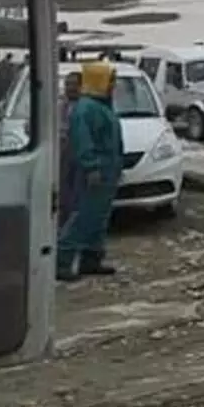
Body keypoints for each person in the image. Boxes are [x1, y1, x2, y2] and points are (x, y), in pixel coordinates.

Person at [56, 61, 126, 281]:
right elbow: (83, 141)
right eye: (110, 81)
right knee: (84, 216)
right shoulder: (86, 109)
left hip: (108, 170)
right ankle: (62, 260)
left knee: (99, 217)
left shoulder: (102, 106)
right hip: (95, 172)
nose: (113, 86)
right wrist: (91, 166)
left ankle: (91, 259)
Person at [57, 72, 83, 225]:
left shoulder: (86, 107)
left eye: (74, 84)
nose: (70, 88)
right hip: (61, 155)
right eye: (67, 84)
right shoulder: (58, 105)